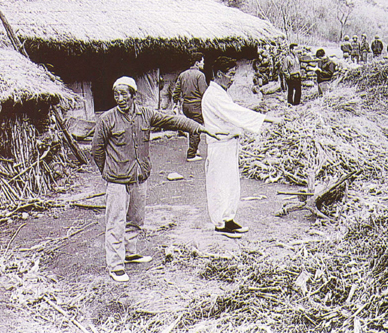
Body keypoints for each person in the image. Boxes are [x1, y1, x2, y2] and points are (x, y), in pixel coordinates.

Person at [92, 77, 221, 282]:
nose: (120, 98)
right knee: (115, 221)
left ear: (134, 95)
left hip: (139, 176)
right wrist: (107, 173)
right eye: (116, 94)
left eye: (124, 94)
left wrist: (198, 127)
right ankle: (115, 265)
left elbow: (172, 120)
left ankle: (130, 252)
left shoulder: (146, 114)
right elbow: (96, 150)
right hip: (117, 179)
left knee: (135, 219)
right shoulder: (107, 119)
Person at [202, 57, 283, 238]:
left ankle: (229, 218)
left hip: (229, 144)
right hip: (220, 145)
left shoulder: (221, 93)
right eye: (230, 75)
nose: (232, 79)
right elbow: (236, 113)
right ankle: (220, 223)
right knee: (219, 184)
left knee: (231, 184)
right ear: (219, 74)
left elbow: (234, 111)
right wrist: (267, 118)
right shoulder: (213, 95)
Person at [172, 53, 208, 161]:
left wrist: (175, 102)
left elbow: (176, 91)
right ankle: (191, 154)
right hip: (196, 105)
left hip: (186, 106)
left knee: (190, 127)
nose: (203, 63)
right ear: (197, 63)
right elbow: (203, 92)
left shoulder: (182, 75)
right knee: (196, 129)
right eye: (202, 61)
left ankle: (194, 148)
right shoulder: (200, 75)